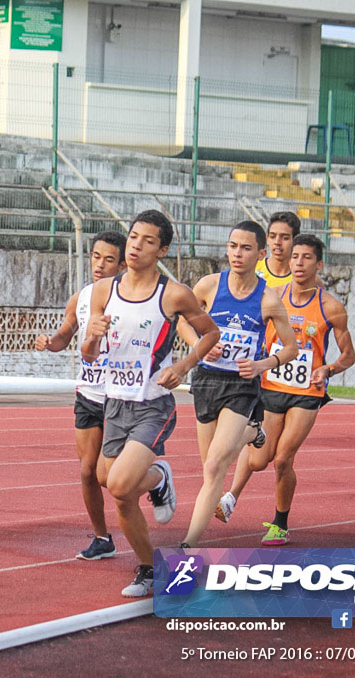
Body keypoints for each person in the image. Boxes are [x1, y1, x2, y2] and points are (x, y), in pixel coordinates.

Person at [82, 210, 220, 597]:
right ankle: (148, 568)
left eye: (147, 241)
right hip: (115, 402)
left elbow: (210, 333)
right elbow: (90, 355)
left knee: (122, 483)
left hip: (152, 403)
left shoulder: (173, 294)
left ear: (162, 250)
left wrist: (184, 365)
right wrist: (91, 337)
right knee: (113, 486)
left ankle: (157, 476)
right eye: (133, 237)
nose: (136, 246)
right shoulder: (103, 291)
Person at [214, 234, 355, 545]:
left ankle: (279, 523)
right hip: (271, 386)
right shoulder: (272, 297)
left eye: (306, 258)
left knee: (282, 459)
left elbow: (349, 355)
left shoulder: (331, 307)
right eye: (295, 257)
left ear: (319, 264)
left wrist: (327, 369)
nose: (299, 263)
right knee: (258, 460)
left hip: (307, 394)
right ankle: (236, 483)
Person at [176, 220, 298, 548]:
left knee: (217, 463)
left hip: (241, 385)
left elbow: (291, 349)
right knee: (209, 470)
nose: (237, 254)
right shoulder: (208, 286)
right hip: (206, 380)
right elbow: (182, 323)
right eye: (232, 246)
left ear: (260, 254)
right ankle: (252, 433)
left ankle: (189, 542)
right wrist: (199, 342)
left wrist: (262, 363)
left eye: (245, 248)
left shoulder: (268, 300)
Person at [35, 231, 127, 560]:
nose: (100, 264)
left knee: (111, 476)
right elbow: (65, 333)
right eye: (95, 256)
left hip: (121, 396)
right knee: (88, 471)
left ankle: (155, 485)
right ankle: (102, 537)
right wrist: (50, 343)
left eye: (108, 259)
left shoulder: (132, 298)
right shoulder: (81, 297)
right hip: (89, 393)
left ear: (123, 263)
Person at [254, 211, 301, 288]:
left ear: (295, 240)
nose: (277, 242)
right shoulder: (253, 269)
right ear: (267, 239)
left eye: (285, 238)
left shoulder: (303, 276)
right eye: (272, 236)